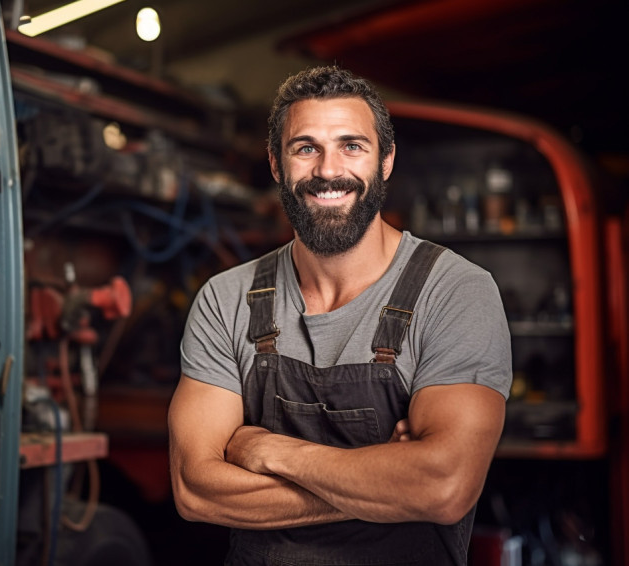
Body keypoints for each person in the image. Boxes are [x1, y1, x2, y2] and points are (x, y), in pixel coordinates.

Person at [168, 65, 512, 565]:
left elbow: (443, 487)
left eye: (352, 145)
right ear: (275, 164)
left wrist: (270, 452)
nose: (329, 170)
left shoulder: (455, 291)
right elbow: (195, 491)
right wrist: (389, 483)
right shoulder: (227, 298)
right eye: (305, 148)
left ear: (386, 160)